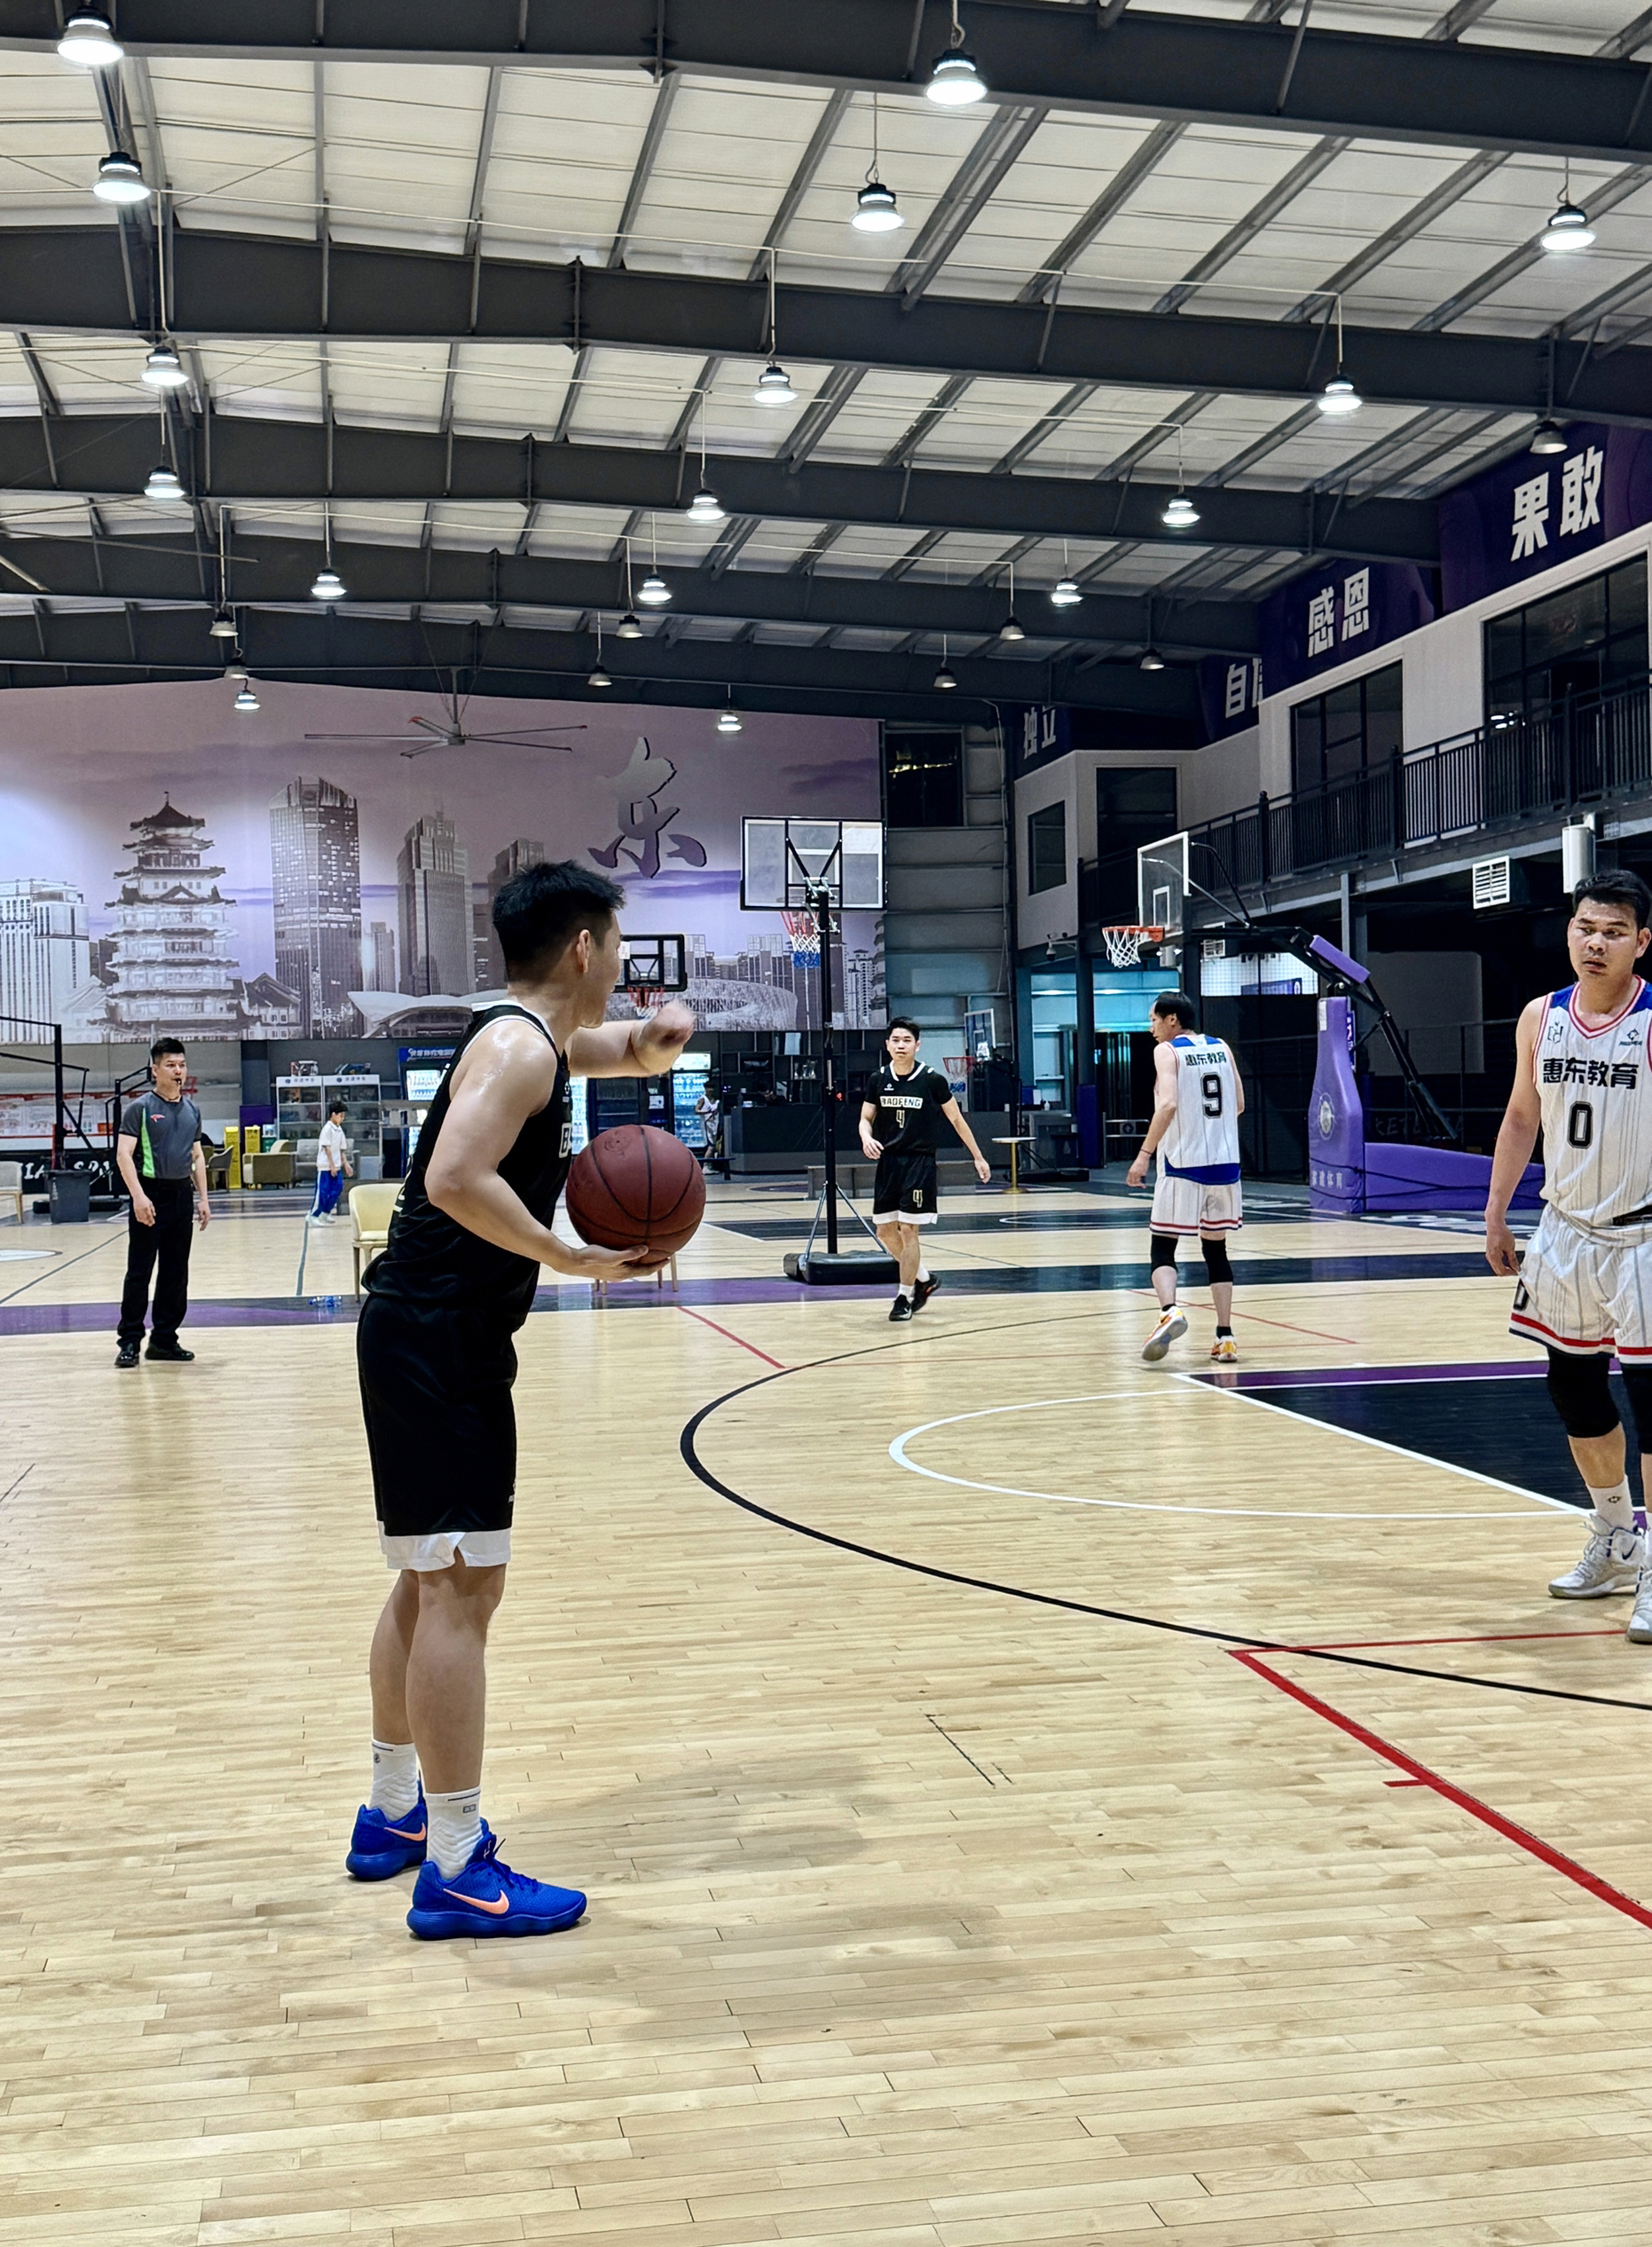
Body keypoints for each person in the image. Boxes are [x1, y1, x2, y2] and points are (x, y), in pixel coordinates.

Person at [349, 859, 693, 1938]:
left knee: (427, 1579)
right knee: (461, 1589)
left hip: (424, 1334)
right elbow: (454, 1177)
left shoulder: (530, 1036)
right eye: (617, 947)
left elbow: (611, 1048)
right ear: (584, 947)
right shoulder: (516, 1048)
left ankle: (393, 1813)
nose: (622, 966)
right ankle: (456, 1865)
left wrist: (654, 1041)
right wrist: (566, 1254)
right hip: (439, 1342)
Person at [1486, 869, 1652, 1636]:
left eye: (1614, 932)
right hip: (1564, 1231)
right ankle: (1617, 1537)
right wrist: (1496, 1213)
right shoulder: (1540, 1016)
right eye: (1586, 927)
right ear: (1569, 932)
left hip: (1644, 1234)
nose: (1596, 942)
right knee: (1574, 1392)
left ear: (1641, 942)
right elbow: (1523, 1117)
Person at [1127, 992, 1245, 1364]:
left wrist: (1144, 1155)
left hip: (1183, 1165)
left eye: (1154, 1020)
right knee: (1216, 1251)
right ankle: (1225, 1336)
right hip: (1225, 1166)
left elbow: (1168, 1104)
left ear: (1172, 1020)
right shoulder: (1222, 1048)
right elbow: (1239, 1104)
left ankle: (1169, 1311)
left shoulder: (1167, 1052)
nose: (1151, 1028)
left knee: (1163, 1245)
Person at [860, 1017, 992, 1323]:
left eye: (907, 1040)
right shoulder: (878, 1079)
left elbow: (956, 1120)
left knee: (909, 1230)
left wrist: (978, 1157)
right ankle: (924, 1278)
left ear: (917, 1045)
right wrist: (866, 1137)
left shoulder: (932, 1080)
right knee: (884, 1231)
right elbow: (865, 1118)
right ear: (887, 1045)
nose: (901, 1045)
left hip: (919, 1163)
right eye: (896, 1040)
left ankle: (904, 1297)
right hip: (888, 1163)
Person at [114, 1036, 210, 1371]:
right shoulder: (140, 1109)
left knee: (175, 1272)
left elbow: (197, 1156)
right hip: (150, 1196)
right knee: (139, 1272)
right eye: (170, 1065)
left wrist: (203, 1199)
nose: (178, 1070)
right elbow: (123, 1154)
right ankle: (129, 1341)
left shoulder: (192, 1110)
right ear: (155, 1070)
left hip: (181, 1196)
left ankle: (164, 1341)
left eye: (182, 1064)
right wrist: (138, 1197)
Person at [309, 1098, 353, 1225]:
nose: (342, 1118)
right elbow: (327, 1148)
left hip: (337, 1166)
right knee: (323, 1192)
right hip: (325, 1166)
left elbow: (341, 1150)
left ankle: (325, 1213)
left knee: (337, 1189)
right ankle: (314, 1215)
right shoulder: (327, 1129)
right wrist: (331, 1166)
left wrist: (346, 1165)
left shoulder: (339, 1130)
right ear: (333, 1114)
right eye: (341, 1115)